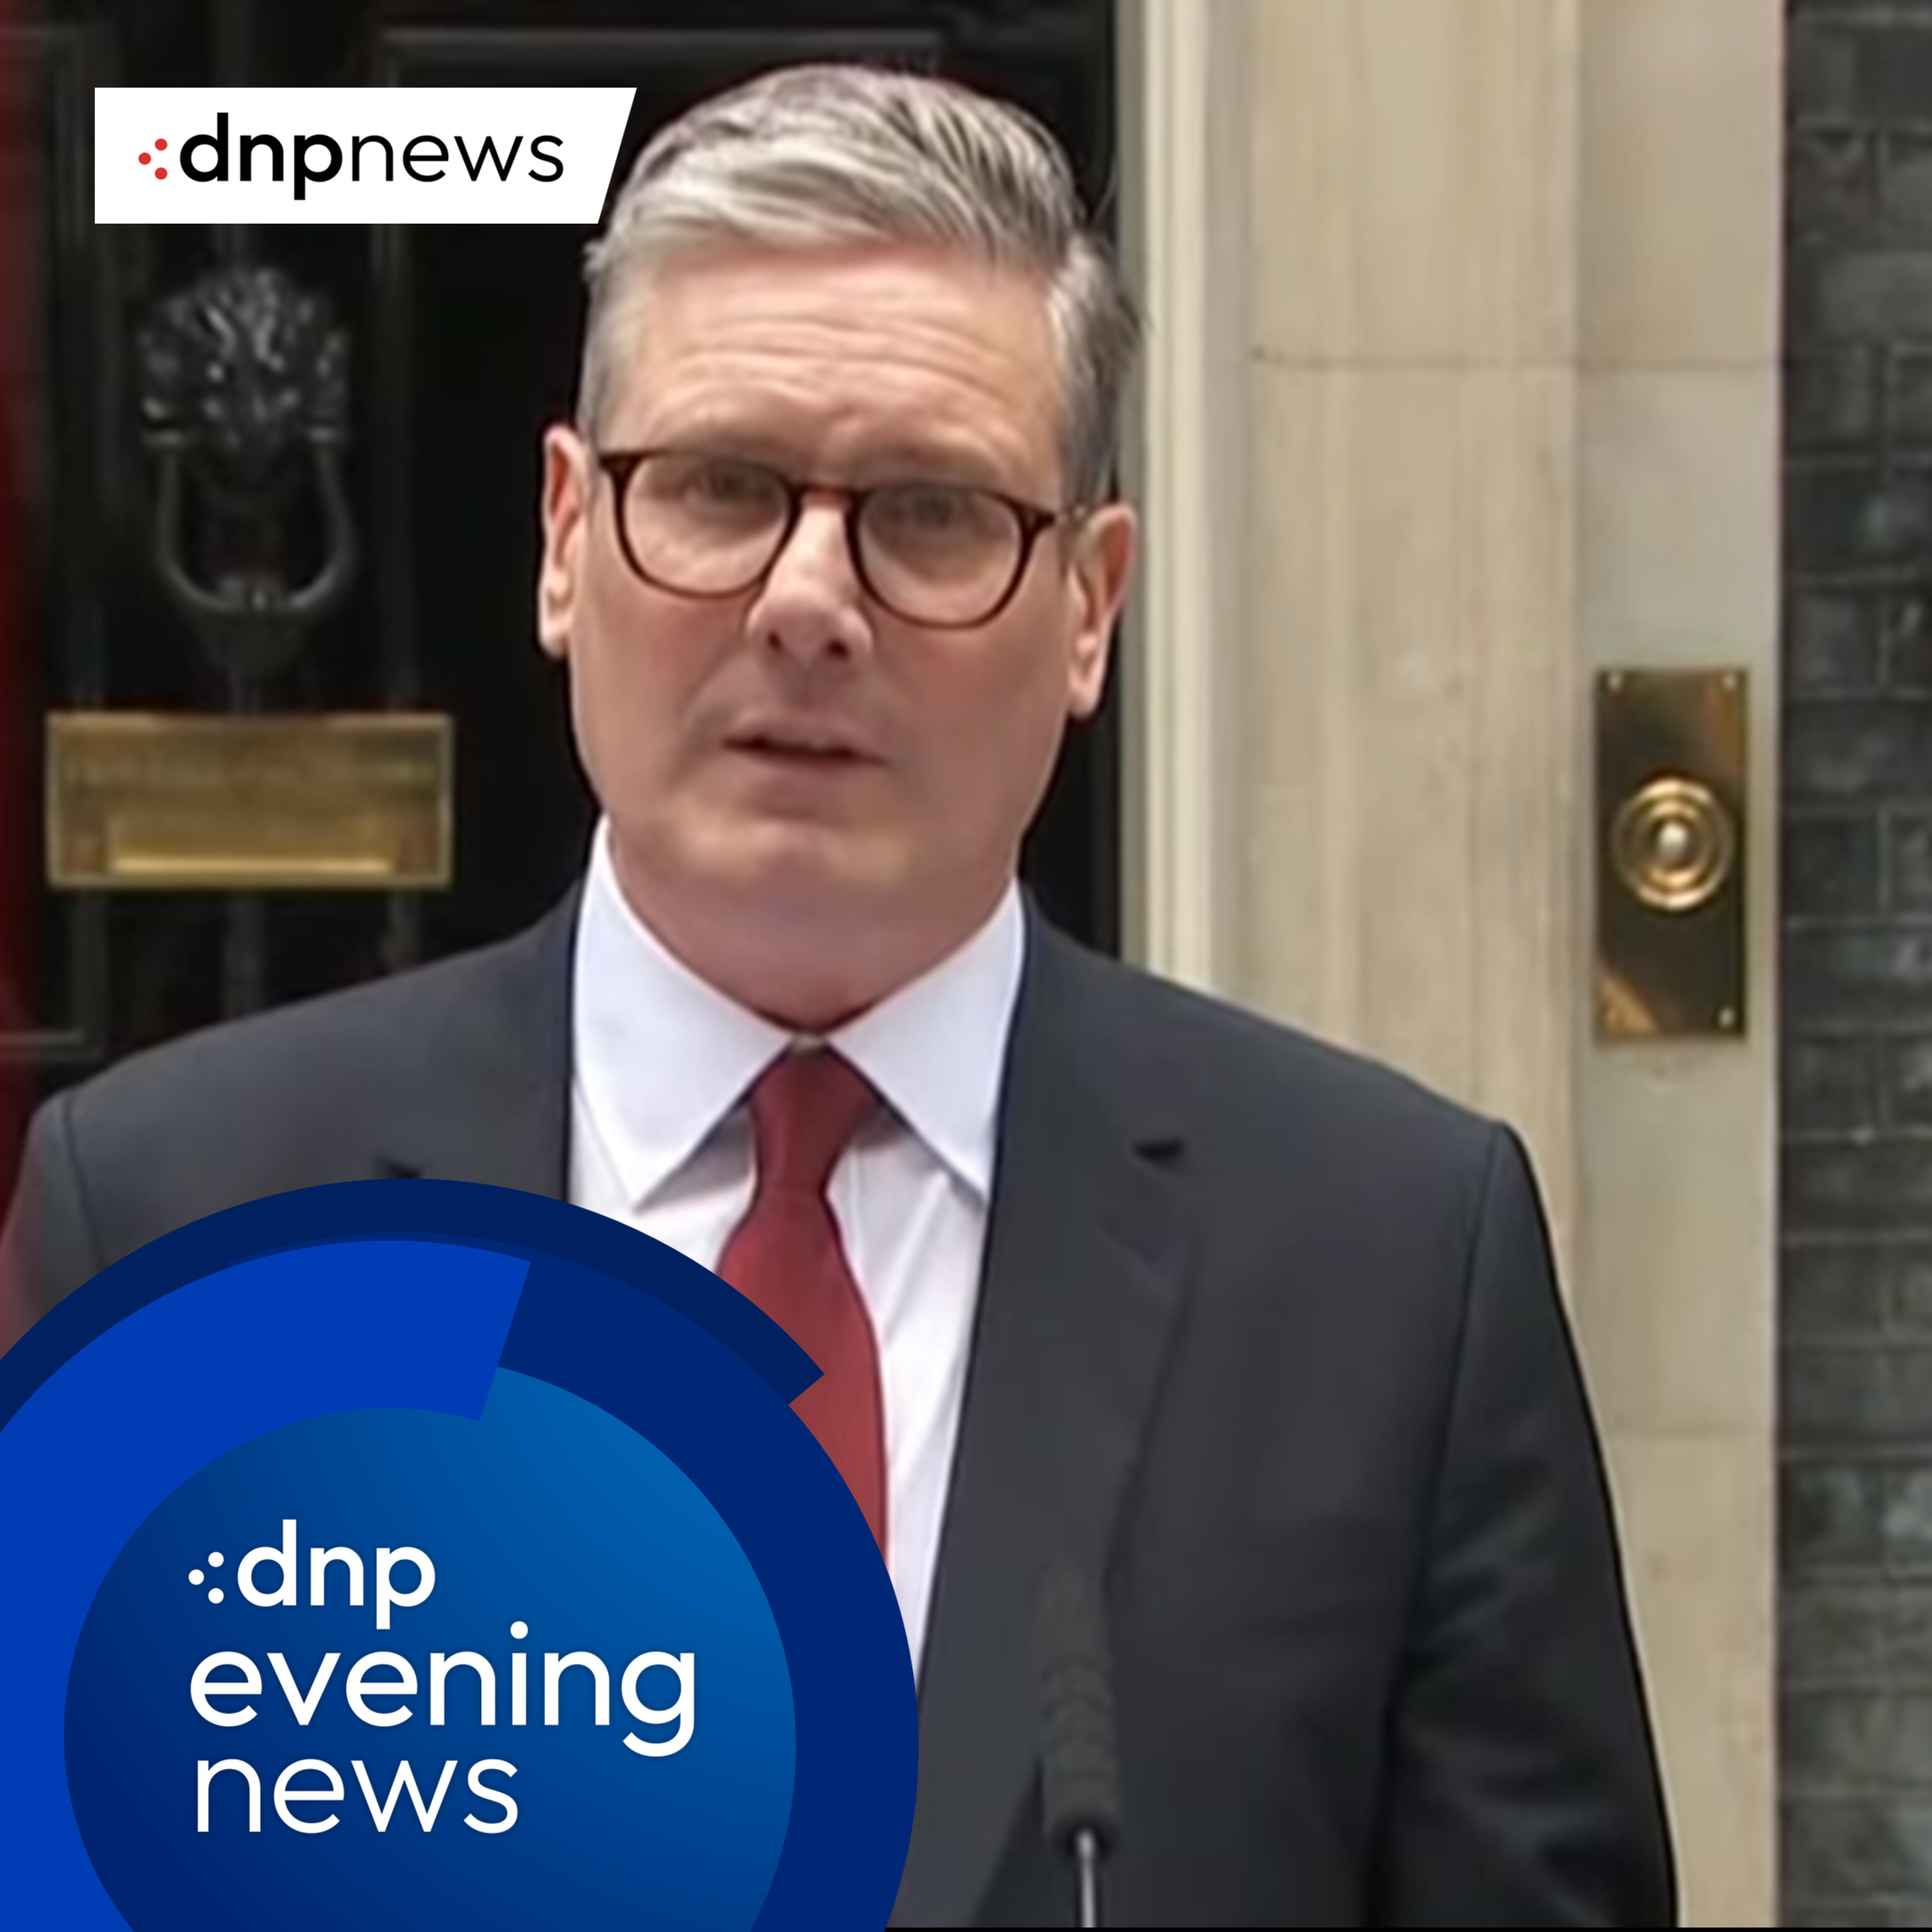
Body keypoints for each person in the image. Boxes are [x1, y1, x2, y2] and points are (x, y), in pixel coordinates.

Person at [1, 65, 1674, 1926]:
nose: (808, 601)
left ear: (1091, 606)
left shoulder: (1390, 1269)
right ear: (565, 539)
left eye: (932, 514)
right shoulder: (183, 1218)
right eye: (719, 490)